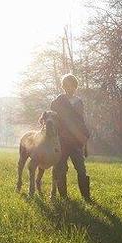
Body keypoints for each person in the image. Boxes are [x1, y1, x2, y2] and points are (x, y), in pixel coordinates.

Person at [50, 73, 91, 201]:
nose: (70, 88)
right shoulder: (57, 102)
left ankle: (86, 197)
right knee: (61, 168)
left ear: (75, 86)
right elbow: (52, 120)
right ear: (63, 86)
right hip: (61, 141)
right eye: (67, 85)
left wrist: (84, 137)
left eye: (72, 85)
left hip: (76, 142)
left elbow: (81, 121)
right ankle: (63, 198)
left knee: (81, 169)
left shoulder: (79, 102)